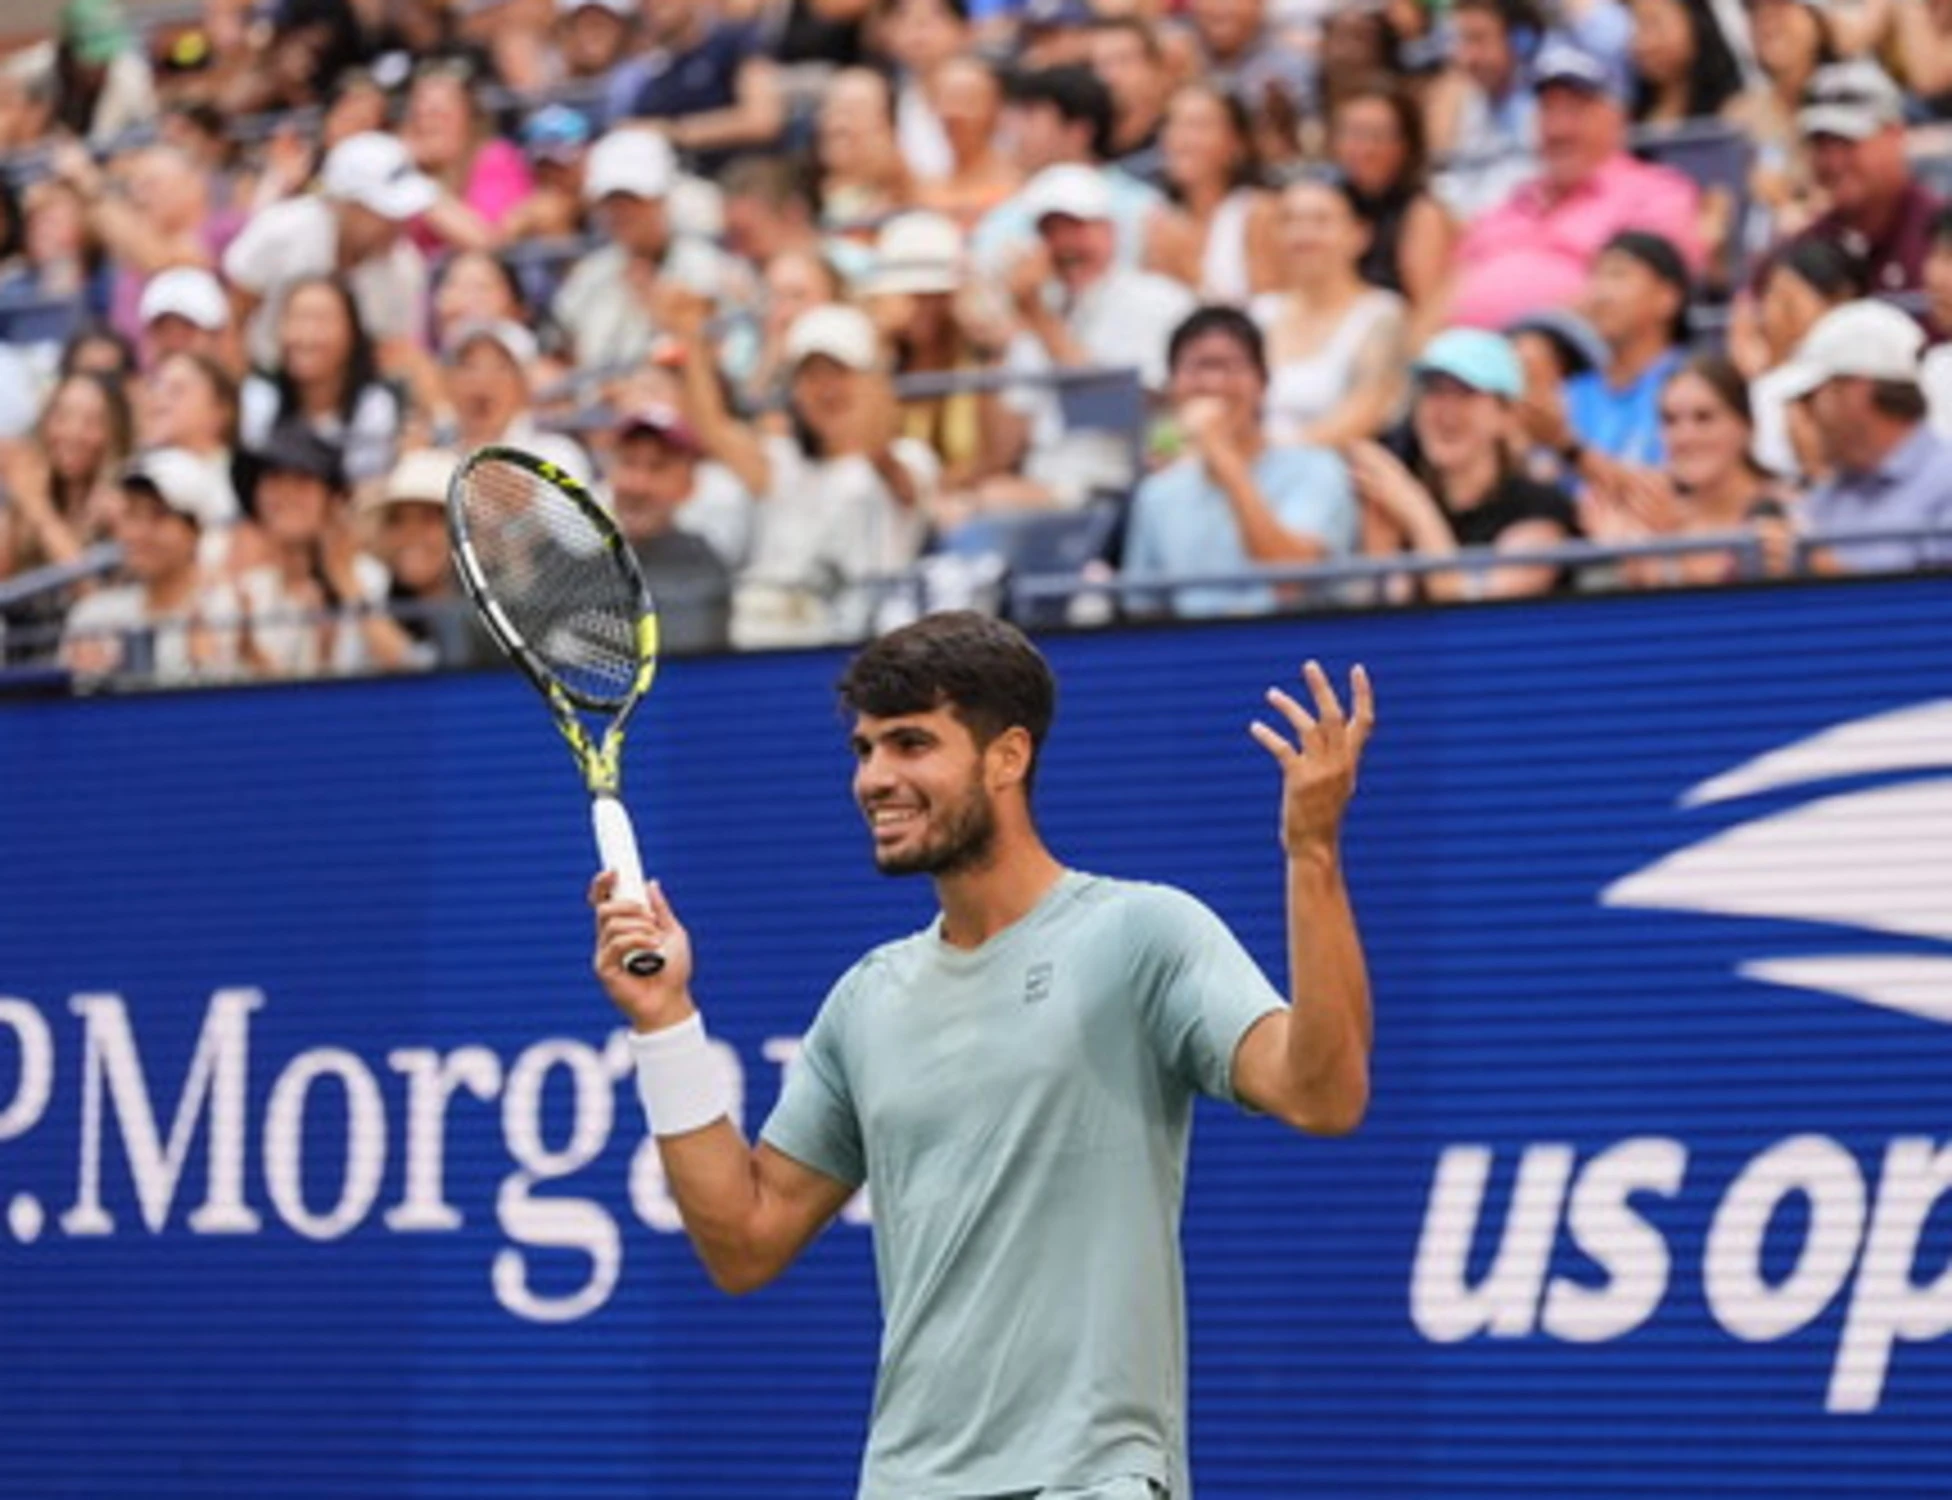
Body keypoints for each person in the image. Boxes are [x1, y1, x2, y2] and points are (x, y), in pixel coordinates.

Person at [589, 609, 1374, 1499]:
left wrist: (1311, 853)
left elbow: (1325, 1093)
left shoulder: (1142, 934)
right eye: (865, 751)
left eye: (912, 744)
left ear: (1008, 757)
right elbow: (743, 1241)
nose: (875, 779)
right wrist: (665, 1020)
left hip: (1091, 1478)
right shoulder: (867, 999)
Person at [1443, 33, 1702, 331]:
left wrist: (1520, 337)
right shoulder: (1512, 202)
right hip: (1469, 363)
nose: (1558, 129)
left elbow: (1645, 296)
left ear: (1616, 117)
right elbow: (1448, 289)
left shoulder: (1657, 193)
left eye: (1575, 110)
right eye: (1547, 110)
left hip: (1572, 360)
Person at [1123, 304, 1357, 617]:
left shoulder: (1318, 469)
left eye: (1229, 367)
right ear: (1173, 386)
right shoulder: (1157, 495)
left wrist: (1218, 449)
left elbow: (1291, 575)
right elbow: (1142, 612)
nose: (1213, 384)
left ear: (1262, 382)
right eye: (1197, 368)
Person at [1347, 326, 1579, 601]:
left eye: (1465, 393)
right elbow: (1383, 616)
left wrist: (1416, 510)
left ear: (1506, 415)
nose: (1445, 410)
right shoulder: (1400, 502)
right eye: (1433, 391)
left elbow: (1470, 613)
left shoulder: (1540, 507)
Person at [222, 131, 437, 371]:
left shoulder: (405, 269)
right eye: (382, 213)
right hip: (262, 373)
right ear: (343, 205)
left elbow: (393, 353)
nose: (397, 225)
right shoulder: (281, 230)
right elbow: (235, 315)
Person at [1578, 354, 1797, 585]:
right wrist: (1627, 560)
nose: (1685, 437)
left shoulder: (1790, 510)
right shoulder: (1648, 522)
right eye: (1670, 421)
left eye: (1704, 418)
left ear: (1746, 426)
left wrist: (1665, 549)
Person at [1776, 299, 1952, 572]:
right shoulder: (1827, 496)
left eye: (1810, 399)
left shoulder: (1946, 483)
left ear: (1857, 392)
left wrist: (1824, 569)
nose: (1803, 417)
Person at [59, 450, 243, 685]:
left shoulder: (231, 610)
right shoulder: (92, 616)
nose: (138, 533)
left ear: (197, 530)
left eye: (159, 516)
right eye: (131, 514)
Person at [1251, 175, 1409, 448]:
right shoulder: (1259, 312)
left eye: (1321, 221)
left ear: (1360, 235)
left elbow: (1364, 416)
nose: (1303, 235)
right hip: (1242, 470)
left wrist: (1257, 461)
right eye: (1289, 221)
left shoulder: (1384, 315)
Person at [1779, 59, 1939, 298]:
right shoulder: (1806, 248)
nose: (1833, 162)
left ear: (1895, 135)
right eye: (1820, 145)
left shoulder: (1936, 239)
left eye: (1847, 142)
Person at [239, 275, 402, 485]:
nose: (306, 336)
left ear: (352, 332)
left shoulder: (377, 408)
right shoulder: (258, 400)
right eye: (296, 318)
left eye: (321, 320)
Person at [607, 405, 735, 653]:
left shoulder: (702, 565)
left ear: (687, 484)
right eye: (628, 463)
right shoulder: (578, 563)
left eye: (657, 467)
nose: (638, 485)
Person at [1559, 229, 1692, 468]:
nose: (1600, 293)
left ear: (1667, 297)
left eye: (1618, 276)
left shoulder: (1692, 385)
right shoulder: (1570, 389)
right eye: (1595, 276)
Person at [602, 0, 786, 173]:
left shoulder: (736, 41)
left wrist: (674, 132)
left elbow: (762, 120)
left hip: (742, 177)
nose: (654, 4)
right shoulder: (651, 83)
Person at [1329, 76, 1454, 325]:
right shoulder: (1329, 202)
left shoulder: (1422, 213)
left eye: (1377, 136)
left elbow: (1427, 310)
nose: (1364, 149)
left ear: (1406, 145)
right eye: (1353, 134)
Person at [360, 447, 497, 669]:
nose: (410, 535)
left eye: (428, 520)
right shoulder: (384, 602)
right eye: (397, 521)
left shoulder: (492, 612)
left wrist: (349, 589)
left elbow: (439, 678)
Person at [1144, 83, 1280, 306]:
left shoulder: (1259, 213)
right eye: (1172, 124)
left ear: (1237, 144)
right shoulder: (1159, 222)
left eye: (1198, 126)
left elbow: (1273, 308)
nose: (1181, 139)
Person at [1627, 0, 1744, 128]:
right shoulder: (1627, 115)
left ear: (1696, 23)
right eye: (1636, 27)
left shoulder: (1734, 112)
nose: (1642, 43)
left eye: (1654, 24)